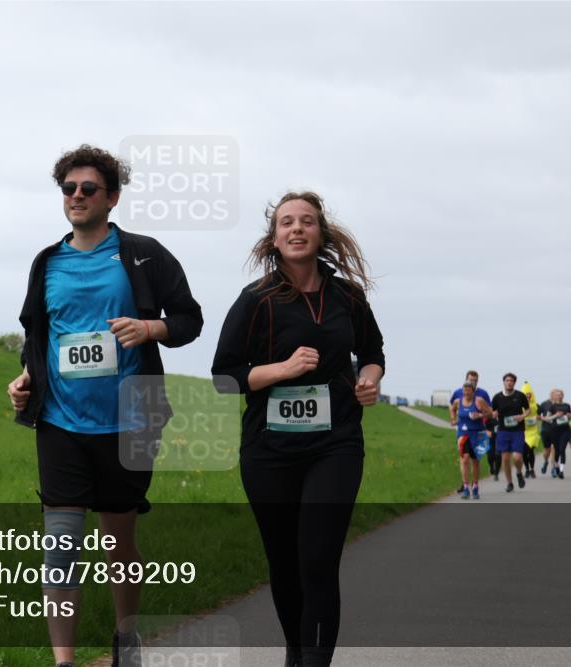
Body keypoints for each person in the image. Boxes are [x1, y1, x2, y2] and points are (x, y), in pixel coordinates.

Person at [8, 144, 203, 667]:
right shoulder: (47, 262)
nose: (76, 196)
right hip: (61, 423)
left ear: (112, 197)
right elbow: (37, 335)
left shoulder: (143, 254)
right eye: (68, 189)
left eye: (88, 188)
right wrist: (27, 378)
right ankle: (64, 660)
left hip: (130, 419)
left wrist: (149, 328)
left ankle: (126, 637)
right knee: (61, 548)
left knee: (119, 545)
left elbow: (189, 320)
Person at [212, 191, 384, 667]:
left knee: (317, 560)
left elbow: (373, 352)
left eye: (306, 221)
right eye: (286, 222)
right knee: (285, 566)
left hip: (336, 445)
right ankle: (295, 651)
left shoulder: (347, 297)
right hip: (269, 451)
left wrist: (369, 380)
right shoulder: (255, 300)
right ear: (274, 237)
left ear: (320, 233)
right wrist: (282, 370)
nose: (296, 228)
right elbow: (225, 377)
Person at [449, 371, 491, 493]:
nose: (466, 393)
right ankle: (466, 486)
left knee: (476, 461)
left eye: (468, 390)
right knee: (465, 458)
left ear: (473, 391)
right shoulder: (458, 400)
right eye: (464, 390)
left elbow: (490, 413)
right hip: (463, 433)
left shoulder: (480, 400)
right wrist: (453, 419)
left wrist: (479, 415)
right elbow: (452, 409)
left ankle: (476, 485)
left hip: (479, 433)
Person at [491, 373, 530, 492]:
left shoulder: (520, 396)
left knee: (517, 457)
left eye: (511, 381)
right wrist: (494, 414)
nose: (509, 382)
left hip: (517, 430)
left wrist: (522, 416)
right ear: (504, 382)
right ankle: (509, 483)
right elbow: (493, 412)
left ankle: (519, 473)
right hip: (503, 430)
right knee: (506, 458)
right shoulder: (497, 397)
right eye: (507, 380)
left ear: (514, 383)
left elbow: (528, 409)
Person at [544, 389, 571, 479]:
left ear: (563, 396)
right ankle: (556, 465)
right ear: (554, 396)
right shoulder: (552, 407)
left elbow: (570, 417)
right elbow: (547, 418)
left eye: (560, 394)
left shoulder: (567, 405)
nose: (559, 396)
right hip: (555, 431)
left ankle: (561, 470)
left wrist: (569, 416)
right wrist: (556, 416)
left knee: (562, 449)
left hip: (565, 430)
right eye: (557, 395)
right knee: (557, 450)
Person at [520, 381, 539, 478]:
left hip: (533, 431)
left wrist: (539, 417)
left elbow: (542, 415)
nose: (527, 396)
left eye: (529, 395)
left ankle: (532, 469)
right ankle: (527, 469)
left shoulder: (536, 406)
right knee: (524, 451)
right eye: (525, 395)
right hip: (523, 431)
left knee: (530, 450)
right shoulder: (519, 406)